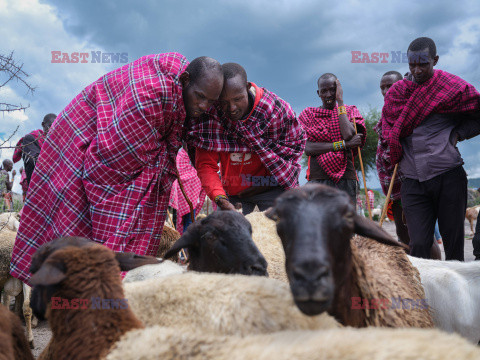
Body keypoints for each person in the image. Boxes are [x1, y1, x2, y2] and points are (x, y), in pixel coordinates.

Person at [10, 53, 224, 284]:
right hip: (79, 149)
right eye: (200, 97)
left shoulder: (185, 91)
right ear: (184, 80)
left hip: (105, 146)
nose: (203, 106)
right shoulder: (147, 99)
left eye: (210, 101)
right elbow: (107, 172)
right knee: (80, 226)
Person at [379, 37, 480, 261]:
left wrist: (457, 134)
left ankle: (455, 295)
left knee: (453, 241)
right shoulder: (397, 94)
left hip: (448, 175)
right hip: (412, 181)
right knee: (419, 244)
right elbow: (387, 131)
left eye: (423, 64)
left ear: (435, 60)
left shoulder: (452, 88)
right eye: (412, 64)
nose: (417, 70)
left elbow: (477, 114)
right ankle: (424, 295)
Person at [187, 63, 305, 214]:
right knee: (222, 232)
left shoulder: (275, 110)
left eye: (237, 99)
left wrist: (262, 186)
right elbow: (206, 165)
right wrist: (220, 198)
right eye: (224, 102)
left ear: (247, 87)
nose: (232, 108)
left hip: (272, 189)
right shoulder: (212, 117)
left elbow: (293, 151)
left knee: (283, 231)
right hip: (232, 194)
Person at [299, 73, 365, 204]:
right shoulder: (309, 115)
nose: (329, 95)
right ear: (318, 93)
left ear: (338, 91)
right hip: (317, 179)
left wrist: (340, 102)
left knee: (345, 222)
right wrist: (344, 145)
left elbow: (348, 134)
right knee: (318, 222)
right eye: (324, 91)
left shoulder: (350, 111)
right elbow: (308, 148)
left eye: (332, 90)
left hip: (346, 179)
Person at [169, 148, 207, 234]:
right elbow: (177, 172)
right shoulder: (181, 154)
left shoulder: (197, 154)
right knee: (179, 221)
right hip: (180, 195)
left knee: (189, 222)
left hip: (192, 195)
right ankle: (178, 243)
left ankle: (185, 245)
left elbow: (200, 172)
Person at [13, 114, 56, 187]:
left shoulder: (54, 143)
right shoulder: (31, 139)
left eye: (55, 127)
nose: (52, 129)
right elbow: (33, 162)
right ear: (43, 124)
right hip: (38, 185)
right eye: (50, 125)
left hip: (54, 185)